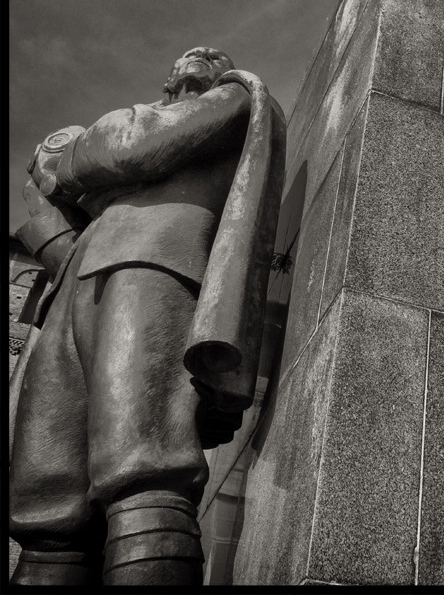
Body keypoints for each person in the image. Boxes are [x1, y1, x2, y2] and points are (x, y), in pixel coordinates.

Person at [9, 47, 285, 586]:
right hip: (73, 286)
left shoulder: (231, 98)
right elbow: (46, 212)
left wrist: (58, 157)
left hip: (153, 263)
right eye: (188, 55)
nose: (200, 55)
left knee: (144, 470)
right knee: (48, 499)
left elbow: (133, 146)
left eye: (211, 54)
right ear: (167, 79)